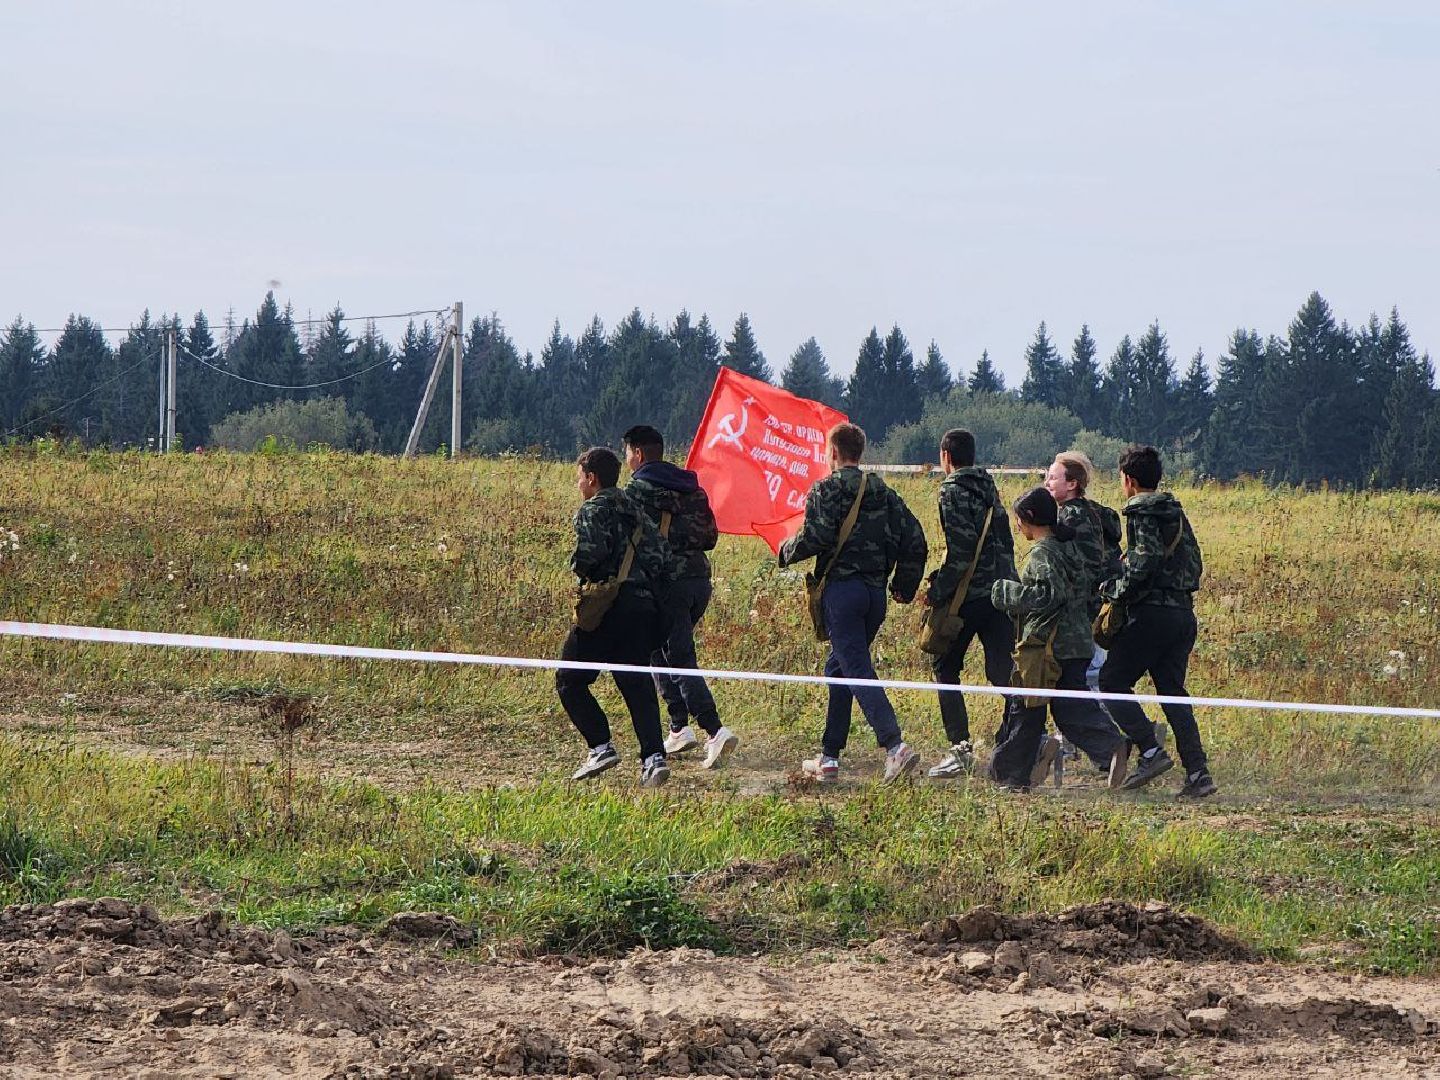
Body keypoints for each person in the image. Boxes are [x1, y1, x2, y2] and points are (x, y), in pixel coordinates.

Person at [779, 422, 928, 783]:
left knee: (857, 669)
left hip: (842, 593)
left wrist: (785, 552)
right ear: (859, 452)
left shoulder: (826, 489)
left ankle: (895, 747)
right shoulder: (886, 493)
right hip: (874, 596)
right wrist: (903, 587)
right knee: (839, 668)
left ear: (832, 452)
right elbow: (916, 541)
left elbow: (816, 536)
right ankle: (829, 757)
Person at [988, 487, 1129, 791]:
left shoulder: (1043, 552)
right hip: (1077, 642)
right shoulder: (1069, 548)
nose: (1017, 526)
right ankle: (1111, 745)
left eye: (1018, 519)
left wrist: (1006, 593)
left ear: (1029, 518)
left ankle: (1011, 774)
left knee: (1027, 706)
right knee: (1069, 707)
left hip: (1048, 646)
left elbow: (1047, 596)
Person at [1100, 445, 1215, 798]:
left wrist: (1115, 590)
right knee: (1173, 694)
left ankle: (1150, 751)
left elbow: (1144, 563)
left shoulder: (1141, 511)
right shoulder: (1175, 513)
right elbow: (1195, 564)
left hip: (1151, 615)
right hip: (1182, 614)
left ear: (1129, 480)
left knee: (1111, 681)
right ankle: (1198, 772)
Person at [621, 424, 738, 769]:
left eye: (627, 452)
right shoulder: (692, 488)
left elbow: (627, 536)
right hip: (699, 581)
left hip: (666, 585)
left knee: (679, 658)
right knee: (657, 649)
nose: (626, 459)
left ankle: (714, 731)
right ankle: (678, 727)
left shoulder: (637, 490)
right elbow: (710, 536)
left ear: (638, 453)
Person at [558, 446, 672, 788]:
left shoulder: (592, 509)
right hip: (642, 608)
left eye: (580, 477)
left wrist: (580, 566)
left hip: (607, 608)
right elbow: (661, 554)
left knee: (569, 679)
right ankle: (654, 759)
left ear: (592, 478)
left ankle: (600, 746)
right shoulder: (635, 508)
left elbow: (588, 558)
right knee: (636, 684)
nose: (579, 484)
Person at [923, 429, 1018, 778]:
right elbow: (1005, 543)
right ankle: (1026, 736)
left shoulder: (951, 490)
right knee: (1002, 671)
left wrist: (937, 590)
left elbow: (960, 551)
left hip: (968, 596)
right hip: (1002, 592)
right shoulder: (989, 488)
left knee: (944, 665)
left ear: (946, 456)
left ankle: (960, 749)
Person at [1044, 451, 1122, 690]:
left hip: (1087, 609)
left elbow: (1076, 568)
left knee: (1091, 675)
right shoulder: (1096, 512)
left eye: (1053, 477)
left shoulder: (1071, 517)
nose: (1046, 483)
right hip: (1106, 603)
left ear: (1072, 484)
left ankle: (1099, 715)